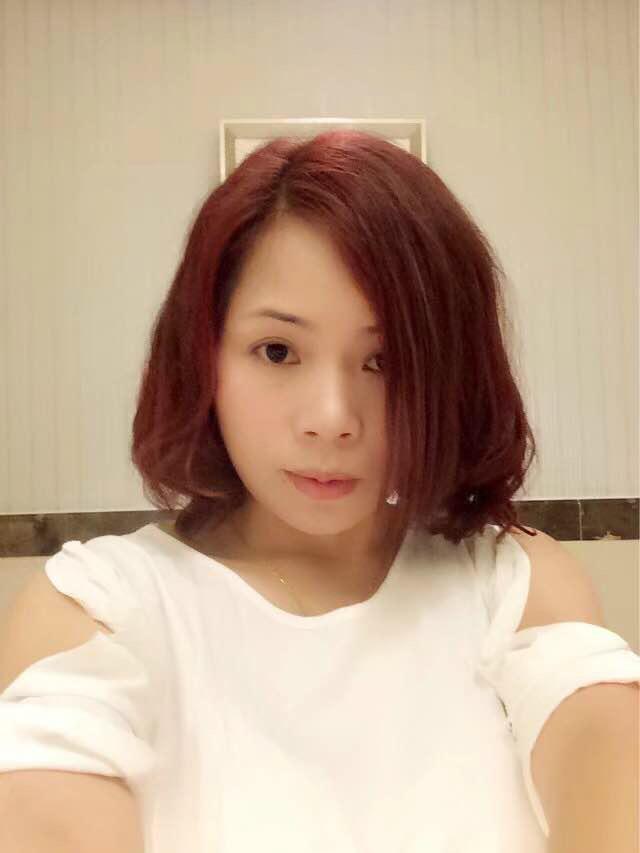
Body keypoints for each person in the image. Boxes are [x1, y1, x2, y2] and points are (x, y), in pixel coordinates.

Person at [1, 130, 638, 853]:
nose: (332, 418)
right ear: (204, 358)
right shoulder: (98, 607)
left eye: (385, 360)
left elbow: (604, 744)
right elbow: (51, 799)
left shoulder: (515, 584)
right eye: (278, 351)